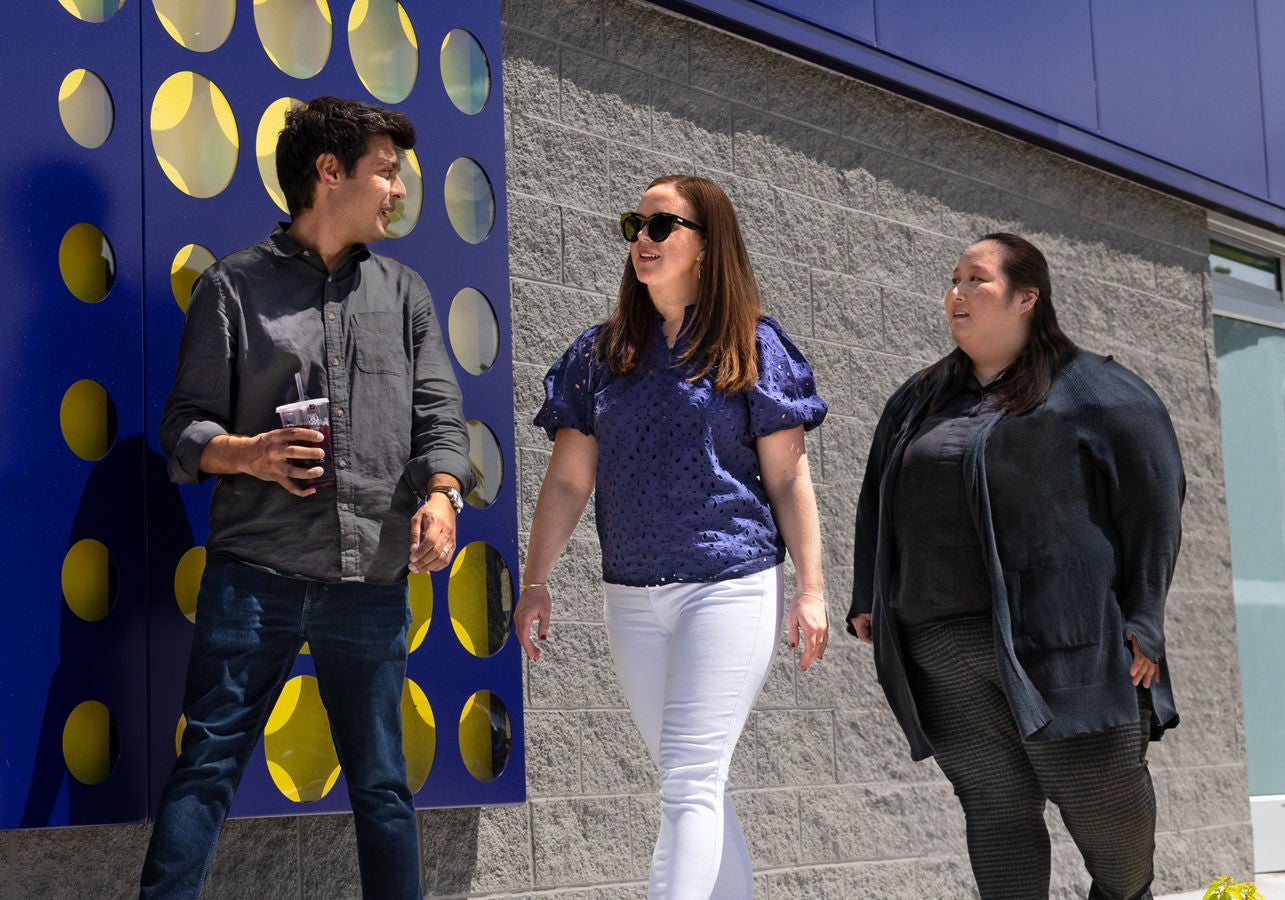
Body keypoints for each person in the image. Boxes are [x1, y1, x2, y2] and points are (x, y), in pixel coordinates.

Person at [141, 96, 475, 899]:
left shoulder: (406, 296)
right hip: (253, 576)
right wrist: (249, 453)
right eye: (386, 172)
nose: (398, 190)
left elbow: (441, 418)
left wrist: (443, 496)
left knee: (384, 788)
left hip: (370, 584)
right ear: (330, 173)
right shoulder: (232, 289)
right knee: (206, 768)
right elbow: (182, 428)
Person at [513, 174, 828, 899]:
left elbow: (788, 479)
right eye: (635, 226)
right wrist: (537, 581)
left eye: (662, 226)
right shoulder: (601, 354)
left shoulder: (753, 346)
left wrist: (811, 589)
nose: (643, 241)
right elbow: (566, 482)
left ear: (707, 245)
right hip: (633, 598)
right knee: (698, 784)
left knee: (688, 781)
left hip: (729, 586)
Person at [847, 233, 1184, 900]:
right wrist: (870, 594)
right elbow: (876, 497)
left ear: (1027, 297)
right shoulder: (918, 399)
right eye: (953, 280)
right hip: (944, 648)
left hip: (1066, 647)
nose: (957, 293)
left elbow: (1154, 503)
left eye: (977, 280)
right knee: (996, 811)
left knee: (1108, 819)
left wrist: (1144, 614)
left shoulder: (1098, 391)